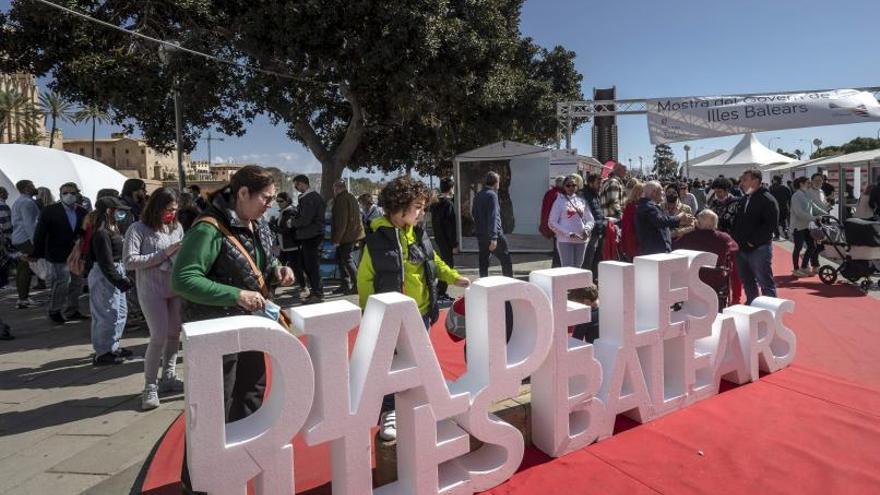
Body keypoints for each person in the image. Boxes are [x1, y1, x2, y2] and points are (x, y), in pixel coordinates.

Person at [172, 165, 295, 422]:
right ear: (243, 193)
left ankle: (247, 457)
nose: (270, 205)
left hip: (251, 325)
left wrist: (277, 270)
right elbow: (183, 280)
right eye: (266, 198)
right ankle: (208, 464)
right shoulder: (207, 228)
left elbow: (261, 262)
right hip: (218, 333)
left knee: (252, 394)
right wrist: (237, 295)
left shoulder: (258, 223)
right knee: (217, 409)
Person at [357, 175, 470, 441]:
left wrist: (454, 277)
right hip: (391, 317)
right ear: (400, 206)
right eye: (417, 207)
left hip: (421, 313)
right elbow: (364, 280)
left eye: (422, 207)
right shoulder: (376, 238)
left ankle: (419, 406)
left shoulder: (418, 233)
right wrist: (371, 316)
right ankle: (389, 412)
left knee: (419, 364)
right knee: (391, 367)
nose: (421, 212)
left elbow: (434, 262)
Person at [123, 188, 185, 409]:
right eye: (168, 209)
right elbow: (129, 261)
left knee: (174, 335)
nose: (171, 214)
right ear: (157, 207)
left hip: (175, 289)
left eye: (175, 210)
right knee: (158, 335)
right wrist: (164, 254)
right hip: (151, 291)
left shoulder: (176, 227)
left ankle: (168, 375)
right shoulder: (137, 229)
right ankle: (149, 386)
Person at [31, 182, 89, 324]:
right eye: (65, 193)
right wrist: (37, 252)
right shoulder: (50, 211)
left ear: (77, 194)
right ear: (60, 194)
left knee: (77, 282)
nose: (69, 195)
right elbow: (40, 233)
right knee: (62, 282)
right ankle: (54, 310)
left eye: (72, 193)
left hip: (76, 253)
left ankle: (72, 310)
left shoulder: (82, 212)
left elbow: (85, 232)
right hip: (57, 253)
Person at [88, 196, 134, 365]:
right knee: (106, 314)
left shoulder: (113, 229)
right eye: (119, 210)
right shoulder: (101, 233)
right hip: (105, 275)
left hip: (115, 271)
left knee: (120, 313)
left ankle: (112, 346)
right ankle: (102, 352)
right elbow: (105, 262)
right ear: (109, 211)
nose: (122, 214)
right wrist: (119, 280)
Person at [673, 209, 739, 309]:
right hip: (715, 280)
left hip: (691, 280)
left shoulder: (688, 237)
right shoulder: (724, 238)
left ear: (698, 223)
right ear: (715, 224)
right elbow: (735, 248)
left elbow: (673, 249)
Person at [732, 168, 779, 303]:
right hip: (741, 249)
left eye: (745, 180)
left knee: (765, 282)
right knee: (747, 281)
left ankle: (770, 310)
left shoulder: (768, 199)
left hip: (759, 249)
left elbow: (770, 225)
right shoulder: (744, 198)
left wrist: (753, 242)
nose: (741, 183)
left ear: (756, 181)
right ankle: (753, 306)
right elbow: (738, 221)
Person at [291, 174, 326, 304]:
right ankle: (315, 291)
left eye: (297, 185)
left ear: (302, 183)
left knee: (312, 266)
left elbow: (305, 219)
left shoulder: (310, 198)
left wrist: (292, 222)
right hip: (311, 235)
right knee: (307, 265)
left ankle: (317, 293)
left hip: (312, 236)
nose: (296, 188)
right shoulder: (311, 197)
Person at [472, 171, 513, 278]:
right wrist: (494, 237)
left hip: (481, 235)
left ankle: (483, 284)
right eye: (498, 182)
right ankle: (510, 284)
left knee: (483, 263)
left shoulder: (478, 195)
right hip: (494, 236)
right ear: (496, 182)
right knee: (506, 260)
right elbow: (493, 217)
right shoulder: (492, 195)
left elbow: (474, 214)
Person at [635, 181, 693, 255]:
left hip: (660, 251)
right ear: (654, 192)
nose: (663, 193)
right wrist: (679, 217)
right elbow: (661, 221)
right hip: (654, 252)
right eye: (661, 190)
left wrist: (681, 224)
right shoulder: (648, 207)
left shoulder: (650, 206)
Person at [548, 175, 594, 268]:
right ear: (564, 187)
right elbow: (552, 222)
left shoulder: (581, 201)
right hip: (565, 241)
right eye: (568, 185)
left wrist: (587, 229)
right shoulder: (559, 201)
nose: (571, 188)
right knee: (568, 268)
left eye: (574, 185)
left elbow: (590, 219)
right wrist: (568, 233)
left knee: (578, 267)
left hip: (581, 240)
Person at [330, 180, 365, 295]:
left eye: (334, 189)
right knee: (342, 260)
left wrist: (337, 240)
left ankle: (356, 285)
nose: (333, 192)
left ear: (336, 188)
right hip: (353, 234)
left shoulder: (341, 199)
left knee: (347, 260)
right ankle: (346, 284)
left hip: (346, 236)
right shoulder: (351, 197)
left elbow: (341, 221)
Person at [789, 177, 828, 277]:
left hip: (807, 225)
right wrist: (813, 218)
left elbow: (813, 206)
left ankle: (804, 266)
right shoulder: (796, 195)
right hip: (798, 226)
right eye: (807, 182)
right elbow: (799, 212)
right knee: (798, 248)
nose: (809, 184)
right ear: (801, 184)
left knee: (812, 246)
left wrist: (825, 213)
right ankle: (796, 269)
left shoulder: (806, 194)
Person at [11, 180, 40, 308]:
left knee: (23, 268)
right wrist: (36, 242)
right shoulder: (27, 202)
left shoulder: (20, 201)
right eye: (32, 186)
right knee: (26, 269)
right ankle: (23, 299)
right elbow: (30, 224)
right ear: (27, 188)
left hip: (20, 238)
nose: (35, 187)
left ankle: (23, 298)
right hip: (26, 239)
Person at [273, 192, 308, 298]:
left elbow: (287, 230)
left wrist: (273, 227)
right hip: (285, 246)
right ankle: (271, 290)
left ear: (287, 201)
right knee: (278, 267)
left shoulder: (291, 212)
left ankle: (304, 288)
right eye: (277, 201)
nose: (278, 203)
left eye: (281, 201)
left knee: (296, 267)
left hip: (292, 245)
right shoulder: (284, 212)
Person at [430, 177, 458, 303]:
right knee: (447, 266)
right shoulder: (448, 204)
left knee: (442, 264)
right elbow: (450, 226)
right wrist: (454, 244)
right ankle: (440, 292)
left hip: (438, 238)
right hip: (446, 240)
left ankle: (439, 291)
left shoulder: (435, 203)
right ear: (451, 188)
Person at [581, 174, 607, 280]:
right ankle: (585, 282)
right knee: (588, 259)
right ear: (591, 183)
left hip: (598, 230)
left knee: (596, 258)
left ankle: (593, 280)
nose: (600, 185)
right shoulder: (584, 195)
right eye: (598, 182)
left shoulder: (595, 194)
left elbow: (598, 211)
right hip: (591, 232)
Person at [540, 176, 564, 268]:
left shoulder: (549, 193)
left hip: (551, 223)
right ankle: (557, 268)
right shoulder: (559, 195)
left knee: (556, 248)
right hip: (558, 225)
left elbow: (545, 209)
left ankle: (555, 266)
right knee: (559, 249)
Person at [619, 180, 643, 261]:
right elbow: (627, 227)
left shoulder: (630, 206)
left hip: (633, 244)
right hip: (634, 244)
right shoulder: (632, 207)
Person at [769, 175, 792, 240]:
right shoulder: (785, 188)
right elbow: (790, 198)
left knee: (775, 222)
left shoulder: (771, 188)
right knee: (783, 222)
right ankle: (786, 234)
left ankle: (777, 235)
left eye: (773, 179)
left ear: (775, 180)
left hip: (775, 208)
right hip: (784, 208)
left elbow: (769, 199)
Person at [0, 187, 11, 290]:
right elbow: (5, 223)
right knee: (4, 260)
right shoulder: (3, 205)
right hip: (4, 236)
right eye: (6, 192)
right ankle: (3, 283)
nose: (8, 194)